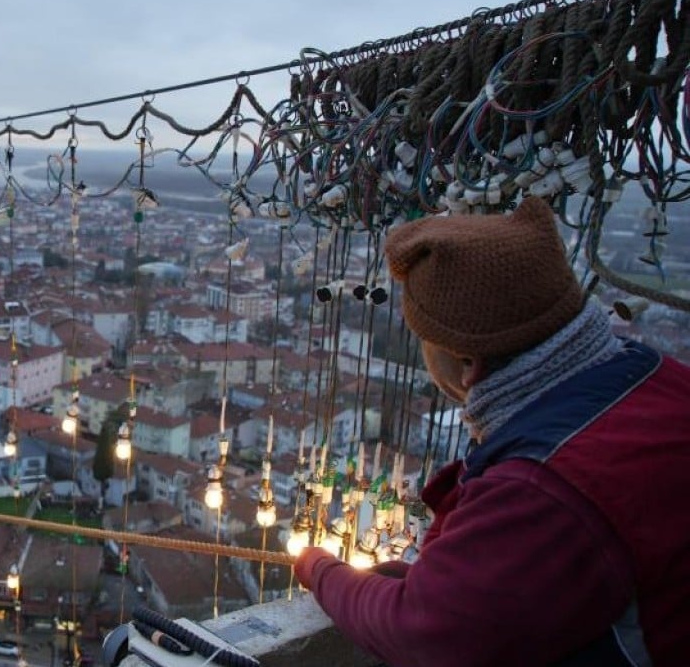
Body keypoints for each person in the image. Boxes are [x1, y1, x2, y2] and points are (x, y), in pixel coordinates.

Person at [294, 197, 690, 666]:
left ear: (466, 363)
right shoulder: (659, 377)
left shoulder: (539, 485)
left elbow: (422, 633)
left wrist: (321, 571)